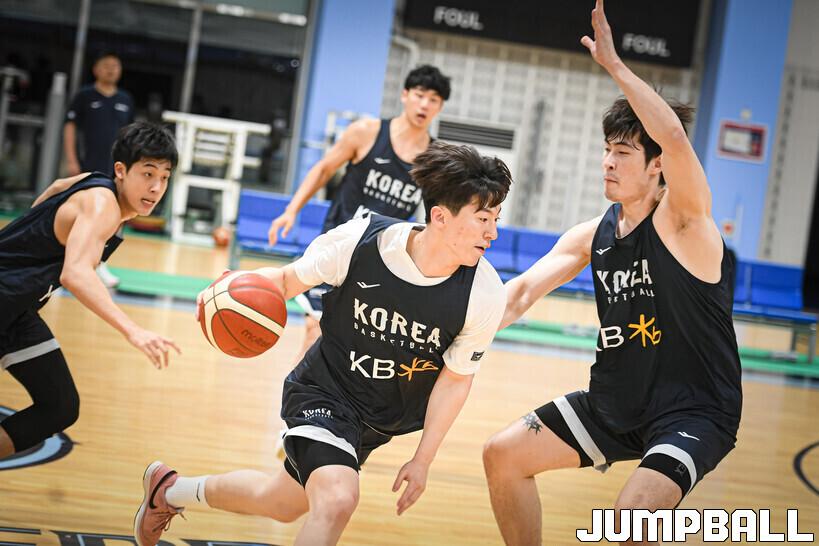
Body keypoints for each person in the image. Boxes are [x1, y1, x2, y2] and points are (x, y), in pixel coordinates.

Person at [134, 142, 512, 546]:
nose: (492, 233)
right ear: (440, 216)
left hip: (377, 421)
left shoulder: (483, 292)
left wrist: (423, 459)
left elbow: (455, 380)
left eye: (496, 219)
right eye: (483, 219)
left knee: (280, 502)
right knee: (336, 500)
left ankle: (169, 491)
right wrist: (223, 290)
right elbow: (286, 281)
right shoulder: (361, 242)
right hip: (324, 391)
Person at [482, 2, 742, 544]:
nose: (608, 162)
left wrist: (615, 66)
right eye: (606, 150)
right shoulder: (591, 235)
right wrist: (450, 333)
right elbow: (520, 294)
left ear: (657, 165)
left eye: (623, 152)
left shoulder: (686, 223)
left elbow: (674, 137)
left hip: (692, 411)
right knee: (502, 455)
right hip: (615, 405)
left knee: (630, 520)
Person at [0, 122, 180, 461]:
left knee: (59, 406)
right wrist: (134, 331)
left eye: (164, 177)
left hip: (16, 310)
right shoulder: (103, 205)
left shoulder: (95, 185)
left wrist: (28, 234)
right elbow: (75, 274)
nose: (156, 187)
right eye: (147, 174)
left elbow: (57, 187)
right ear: (121, 171)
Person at [267, 64, 451, 358]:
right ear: (405, 95)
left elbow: (439, 215)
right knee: (316, 329)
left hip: (381, 260)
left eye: (433, 100)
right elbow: (324, 169)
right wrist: (291, 210)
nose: (424, 105)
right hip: (337, 246)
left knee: (355, 344)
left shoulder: (434, 160)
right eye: (420, 95)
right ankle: (298, 389)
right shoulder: (366, 132)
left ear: (440, 107)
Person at [64, 51, 135, 288]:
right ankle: (71, 261)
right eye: (106, 65)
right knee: (84, 214)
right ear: (96, 69)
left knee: (117, 216)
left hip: (118, 169)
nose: (111, 69)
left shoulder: (125, 99)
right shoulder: (85, 96)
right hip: (89, 165)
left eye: (116, 65)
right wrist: (72, 160)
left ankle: (100, 262)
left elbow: (131, 136)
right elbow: (70, 127)